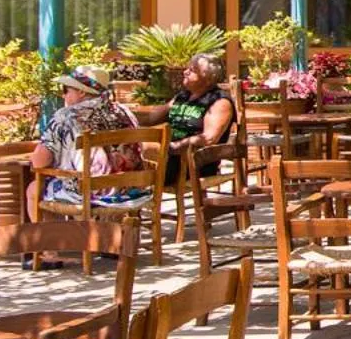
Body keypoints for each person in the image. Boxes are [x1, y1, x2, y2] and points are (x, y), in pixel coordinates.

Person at [24, 66, 145, 218]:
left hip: (92, 193)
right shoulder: (124, 111)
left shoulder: (66, 116)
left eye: (66, 90)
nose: (63, 95)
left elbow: (40, 163)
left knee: (35, 189)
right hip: (131, 190)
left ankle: (52, 240)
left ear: (81, 92)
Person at [133, 54, 238, 186]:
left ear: (208, 77)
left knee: (136, 149)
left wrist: (174, 147)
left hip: (193, 164)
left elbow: (209, 138)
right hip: (169, 157)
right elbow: (150, 119)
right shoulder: (183, 96)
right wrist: (121, 114)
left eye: (192, 70)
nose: (185, 72)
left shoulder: (219, 101)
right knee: (123, 149)